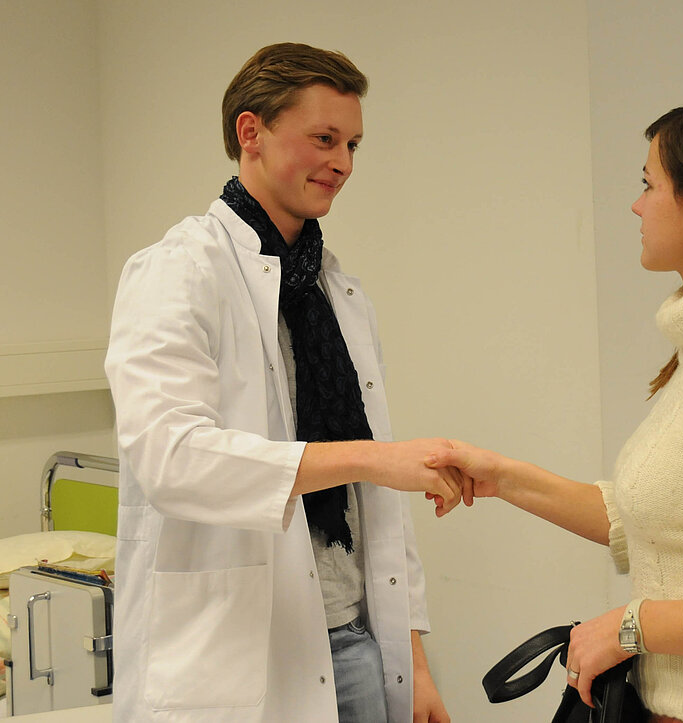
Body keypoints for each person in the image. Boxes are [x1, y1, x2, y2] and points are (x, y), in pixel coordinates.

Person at [427, 97, 683, 722]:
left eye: (648, 183)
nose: (636, 203)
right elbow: (652, 521)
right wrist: (501, 477)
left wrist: (628, 629)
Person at [105, 43, 456, 723]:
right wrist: (371, 456)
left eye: (352, 143)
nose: (343, 163)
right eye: (324, 138)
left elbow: (372, 507)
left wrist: (412, 663)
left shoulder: (336, 290)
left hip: (355, 642)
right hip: (238, 659)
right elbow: (171, 458)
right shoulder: (177, 271)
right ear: (250, 132)